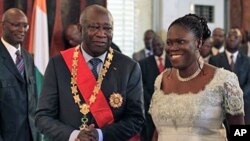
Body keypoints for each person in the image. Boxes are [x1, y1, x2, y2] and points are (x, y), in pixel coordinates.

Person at [35, 4, 144, 141]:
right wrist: (74, 135)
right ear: (80, 29)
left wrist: (100, 135)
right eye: (94, 27)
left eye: (107, 28)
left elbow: (136, 119)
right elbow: (43, 118)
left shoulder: (129, 67)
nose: (101, 34)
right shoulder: (58, 65)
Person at [149, 14, 245, 141]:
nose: (173, 48)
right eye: (169, 43)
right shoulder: (161, 80)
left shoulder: (224, 81)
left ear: (198, 42)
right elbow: (158, 132)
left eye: (180, 41)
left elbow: (240, 131)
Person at [0, 8, 40, 141]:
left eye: (25, 26)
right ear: (3, 25)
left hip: (30, 135)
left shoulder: (28, 57)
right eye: (16, 25)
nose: (22, 30)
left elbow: (33, 100)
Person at [209, 28, 250, 125]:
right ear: (225, 39)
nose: (232, 39)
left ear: (240, 40)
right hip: (220, 108)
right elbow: (212, 82)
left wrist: (238, 95)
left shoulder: (247, 60)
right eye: (229, 36)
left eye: (235, 37)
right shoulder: (214, 59)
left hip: (244, 107)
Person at [139, 35, 171, 141]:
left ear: (164, 45)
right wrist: (152, 99)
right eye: (154, 46)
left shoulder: (173, 61)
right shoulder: (143, 63)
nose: (156, 47)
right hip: (151, 108)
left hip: (171, 106)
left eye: (158, 44)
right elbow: (141, 85)